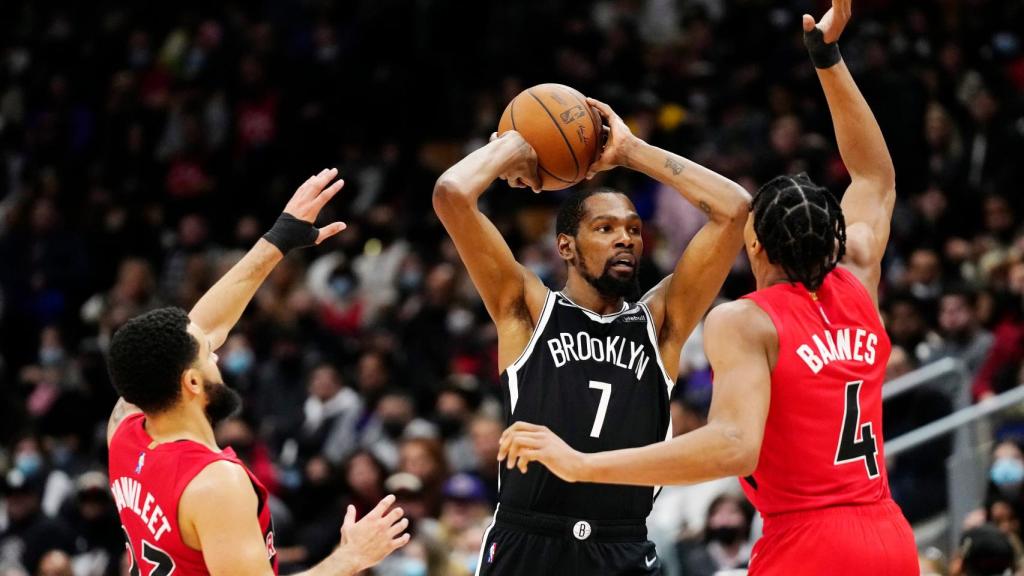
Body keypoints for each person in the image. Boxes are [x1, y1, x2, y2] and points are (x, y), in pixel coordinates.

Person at [499, 2, 919, 574]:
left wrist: (583, 465)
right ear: (834, 241)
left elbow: (733, 447)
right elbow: (874, 175)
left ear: (755, 248)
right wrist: (828, 59)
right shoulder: (859, 280)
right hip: (888, 534)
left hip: (808, 541)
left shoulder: (746, 320)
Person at [433, 66, 751, 573]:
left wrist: (630, 151)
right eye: (604, 228)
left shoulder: (660, 324)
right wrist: (512, 146)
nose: (625, 238)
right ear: (567, 247)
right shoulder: (526, 308)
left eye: (632, 229)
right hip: (527, 540)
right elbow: (452, 193)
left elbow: (735, 209)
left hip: (620, 545)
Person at [104, 169, 409, 576]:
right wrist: (350, 558)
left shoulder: (125, 433)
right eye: (208, 355)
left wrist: (279, 239)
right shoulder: (216, 482)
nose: (216, 353)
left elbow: (205, 326)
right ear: (191, 382)